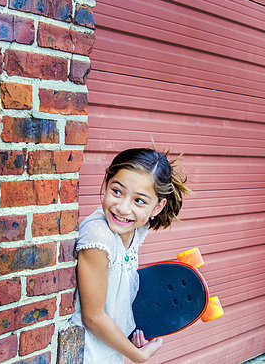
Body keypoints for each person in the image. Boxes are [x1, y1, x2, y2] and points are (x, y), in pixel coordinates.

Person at [70, 148, 191, 363]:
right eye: (117, 191)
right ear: (107, 182)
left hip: (111, 350)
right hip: (87, 353)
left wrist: (130, 337)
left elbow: (118, 298)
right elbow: (93, 317)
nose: (123, 208)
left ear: (157, 207)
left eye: (139, 201)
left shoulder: (135, 230)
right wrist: (138, 355)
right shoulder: (99, 235)